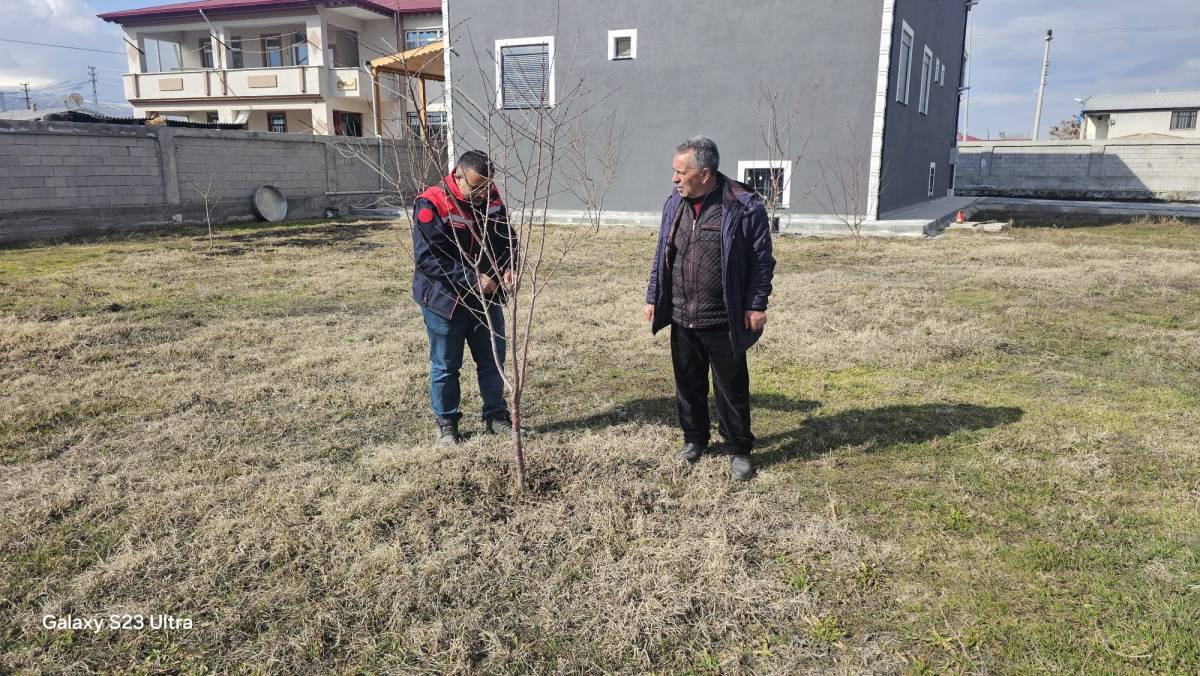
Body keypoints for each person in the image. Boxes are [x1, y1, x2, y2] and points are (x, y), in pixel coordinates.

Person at [644, 136, 776, 481]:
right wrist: (653, 296)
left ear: (704, 174)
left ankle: (739, 449)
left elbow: (762, 262)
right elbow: (662, 254)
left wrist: (756, 304)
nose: (674, 178)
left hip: (723, 317)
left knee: (730, 387)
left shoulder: (743, 207)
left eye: (680, 172)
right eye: (674, 171)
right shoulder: (674, 204)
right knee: (687, 383)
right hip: (681, 313)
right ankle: (695, 439)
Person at [412, 150, 517, 446]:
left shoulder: (491, 196)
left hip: (488, 298)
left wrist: (510, 267)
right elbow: (428, 259)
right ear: (457, 176)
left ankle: (496, 416)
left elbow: (507, 237)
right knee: (446, 365)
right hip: (446, 300)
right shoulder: (431, 202)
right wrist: (473, 279)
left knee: (493, 361)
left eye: (487, 187)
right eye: (476, 187)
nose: (482, 194)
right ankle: (446, 423)